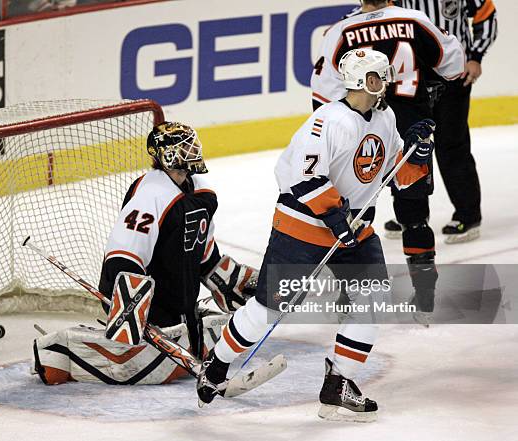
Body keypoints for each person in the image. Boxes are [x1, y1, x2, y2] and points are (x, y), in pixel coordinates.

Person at [197, 48, 436, 422]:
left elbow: (395, 178)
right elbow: (306, 180)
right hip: (302, 227)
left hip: (354, 228)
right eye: (375, 78)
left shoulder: (386, 117)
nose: (383, 84)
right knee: (269, 308)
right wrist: (335, 219)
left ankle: (338, 384)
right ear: (358, 82)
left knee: (372, 302)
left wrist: (417, 156)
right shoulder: (327, 122)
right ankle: (216, 363)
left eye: (384, 76)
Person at [33, 122, 258, 385]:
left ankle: (188, 331)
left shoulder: (202, 192)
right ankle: (59, 350)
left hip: (182, 308)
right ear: (167, 154)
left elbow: (205, 256)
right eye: (184, 146)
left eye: (192, 143)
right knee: (134, 368)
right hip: (150, 312)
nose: (193, 149)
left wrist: (235, 284)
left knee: (223, 338)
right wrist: (133, 314)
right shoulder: (150, 194)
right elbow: (123, 257)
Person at [309, 0, 465, 315]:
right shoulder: (415, 20)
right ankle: (424, 296)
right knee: (414, 215)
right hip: (409, 133)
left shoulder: (342, 29)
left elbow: (322, 95)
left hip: (361, 137)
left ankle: (349, 296)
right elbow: (455, 64)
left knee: (351, 216)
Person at [385, 0, 498, 243]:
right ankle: (413, 215)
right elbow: (382, 16)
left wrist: (475, 56)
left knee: (452, 145)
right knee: (409, 145)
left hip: (453, 75)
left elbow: (486, 13)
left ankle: (468, 214)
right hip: (410, 78)